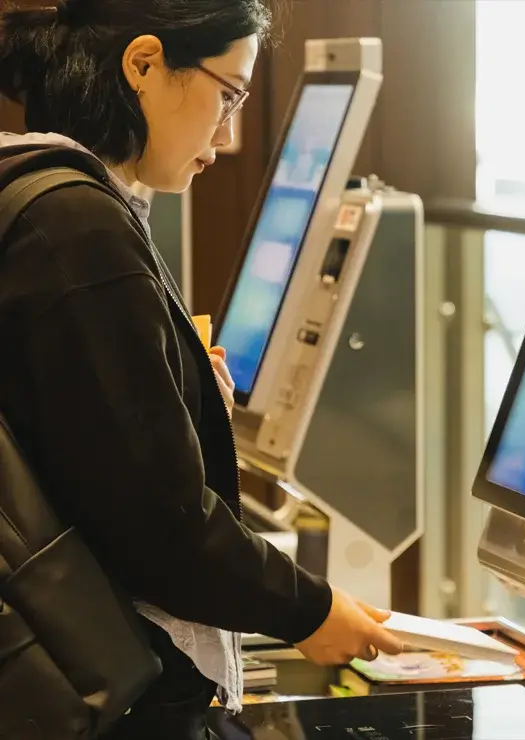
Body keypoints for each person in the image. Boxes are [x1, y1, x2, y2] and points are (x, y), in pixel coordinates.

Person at [0, 1, 403, 737]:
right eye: (228, 94)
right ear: (145, 64)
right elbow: (158, 524)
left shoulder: (29, 189)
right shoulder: (78, 227)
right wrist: (311, 611)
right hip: (109, 692)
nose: (228, 134)